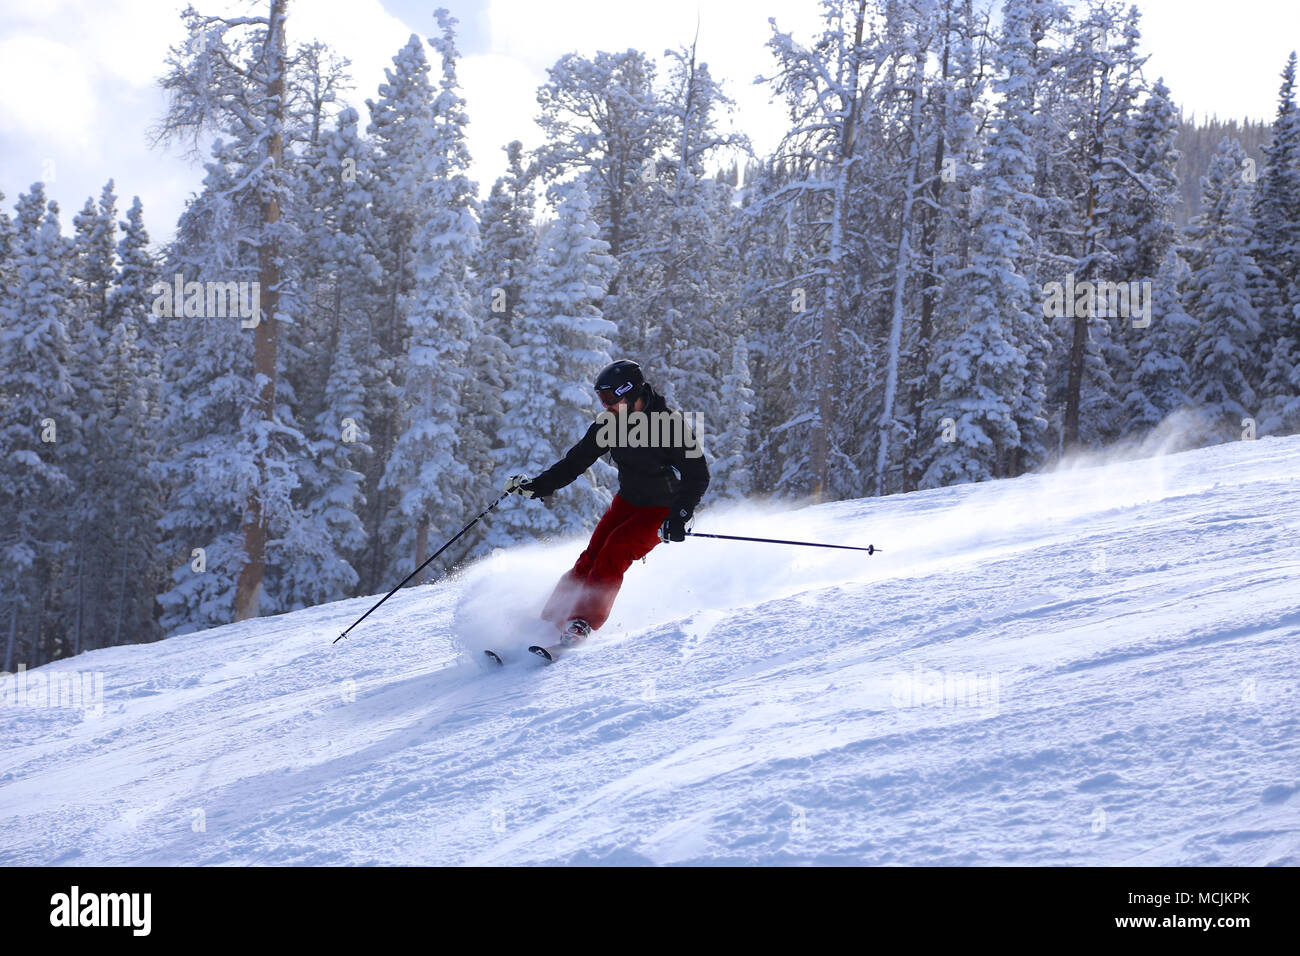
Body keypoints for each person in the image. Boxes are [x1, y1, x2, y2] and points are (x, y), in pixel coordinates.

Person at [504, 360, 709, 645]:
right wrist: (539, 486)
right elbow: (575, 462)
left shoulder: (669, 425)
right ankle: (551, 619)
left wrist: (680, 514)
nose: (607, 406)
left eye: (612, 399)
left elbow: (697, 475)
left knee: (615, 550)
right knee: (591, 557)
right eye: (602, 400)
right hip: (627, 502)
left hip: (661, 509)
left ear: (634, 393)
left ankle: (581, 623)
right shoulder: (610, 424)